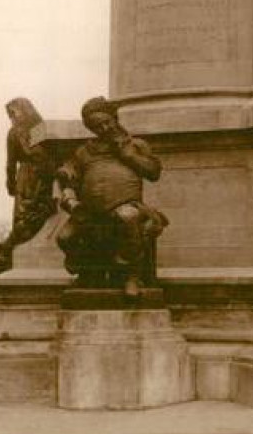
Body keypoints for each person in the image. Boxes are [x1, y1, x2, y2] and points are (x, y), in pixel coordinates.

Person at [55, 97, 168, 296]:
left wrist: (128, 154)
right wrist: (68, 188)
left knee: (128, 217)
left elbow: (153, 172)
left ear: (115, 118)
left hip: (126, 205)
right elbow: (71, 177)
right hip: (90, 211)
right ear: (91, 129)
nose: (104, 128)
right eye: (98, 126)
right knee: (65, 237)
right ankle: (87, 270)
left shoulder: (135, 145)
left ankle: (130, 275)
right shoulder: (84, 151)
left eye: (107, 122)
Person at [0, 98, 55, 275]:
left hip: (26, 178)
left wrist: (10, 184)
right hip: (45, 176)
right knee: (36, 214)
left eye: (12, 114)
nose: (11, 118)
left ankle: (10, 253)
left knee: (23, 217)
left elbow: (10, 163)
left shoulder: (14, 133)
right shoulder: (43, 130)